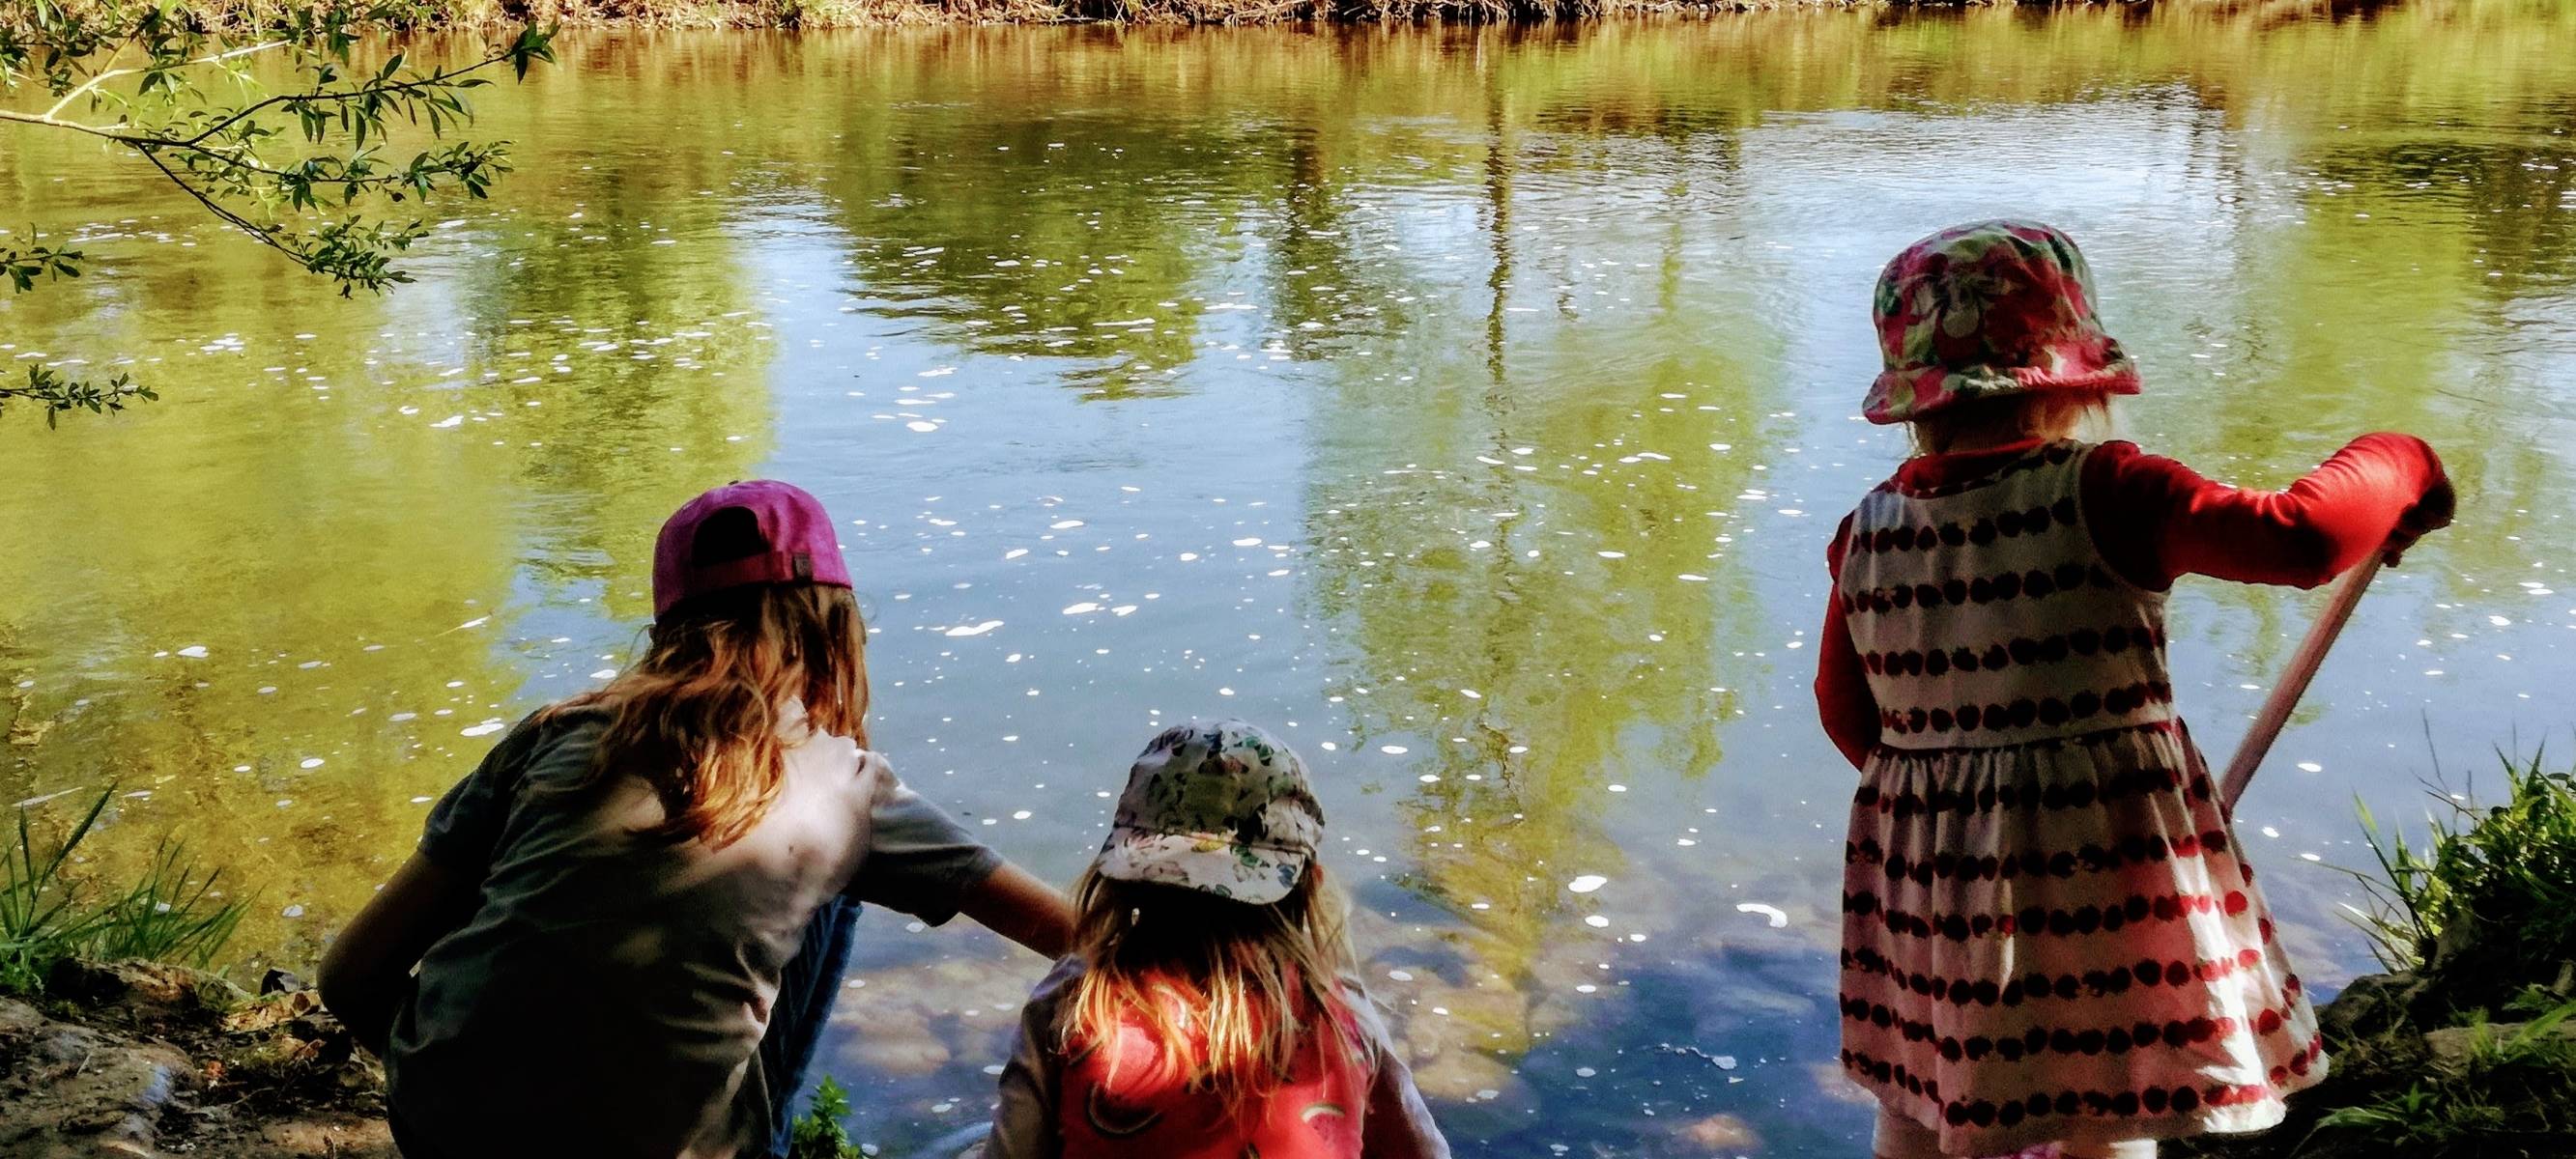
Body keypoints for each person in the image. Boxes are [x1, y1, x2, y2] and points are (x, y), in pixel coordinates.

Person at [1814, 221, 2454, 1159]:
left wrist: (1964, 803)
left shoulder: (1863, 532)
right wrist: (2401, 463)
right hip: (2101, 866)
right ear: (2075, 374)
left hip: (1928, 871)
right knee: (2106, 1092)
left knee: (1925, 1088)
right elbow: (2301, 540)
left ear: (1912, 397)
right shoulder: (2108, 488)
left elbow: (1848, 716)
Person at [319, 479, 1075, 1159]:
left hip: (441, 1122)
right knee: (836, 873)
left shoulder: (558, 734)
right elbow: (1072, 937)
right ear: (834, 626)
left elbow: (350, 976)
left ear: (668, 624)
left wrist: (469, 1090)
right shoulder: (851, 786)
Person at [984, 720, 1450, 1159]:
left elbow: (1012, 1151)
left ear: (1125, 878)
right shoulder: (1336, 1007)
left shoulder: (1073, 997)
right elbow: (1422, 1151)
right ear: (1310, 884)